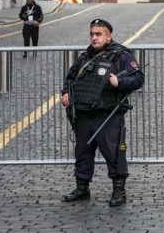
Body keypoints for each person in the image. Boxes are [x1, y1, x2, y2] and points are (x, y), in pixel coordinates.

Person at [60, 19, 144, 207]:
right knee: (82, 152)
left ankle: (119, 191)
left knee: (113, 153)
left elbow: (138, 78)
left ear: (108, 36)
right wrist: (66, 92)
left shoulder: (121, 55)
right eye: (92, 34)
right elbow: (71, 78)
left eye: (98, 34)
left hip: (108, 115)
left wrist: (119, 82)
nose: (94, 38)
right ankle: (82, 188)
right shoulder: (85, 57)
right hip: (83, 114)